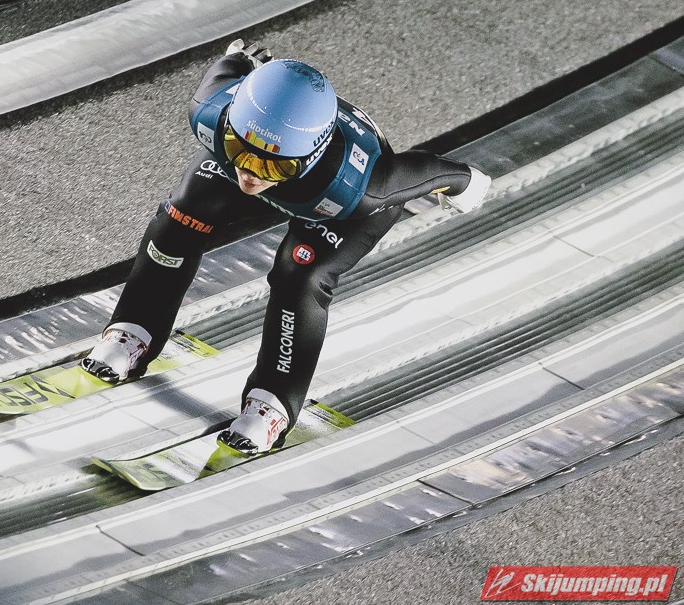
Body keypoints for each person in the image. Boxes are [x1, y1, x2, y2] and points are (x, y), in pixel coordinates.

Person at [81, 39, 491, 454]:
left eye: (272, 165)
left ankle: (272, 402)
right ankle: (135, 329)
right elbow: (231, 64)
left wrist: (465, 180)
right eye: (240, 149)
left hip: (332, 207)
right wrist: (244, 59)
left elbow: (426, 169)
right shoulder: (210, 110)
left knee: (300, 276)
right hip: (296, 182)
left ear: (311, 155)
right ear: (230, 124)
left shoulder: (360, 186)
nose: (250, 175)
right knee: (182, 215)